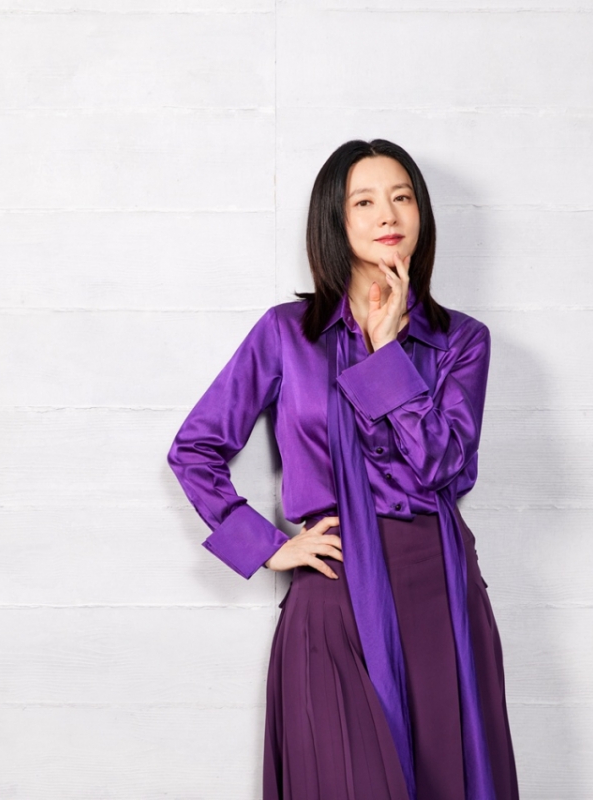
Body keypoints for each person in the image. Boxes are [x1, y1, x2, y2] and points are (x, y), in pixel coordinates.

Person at [167, 139, 518, 800]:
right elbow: (195, 449)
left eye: (402, 197)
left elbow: (446, 465)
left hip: (437, 592)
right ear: (336, 218)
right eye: (365, 201)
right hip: (331, 590)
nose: (388, 213)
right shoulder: (285, 333)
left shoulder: (461, 341)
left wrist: (386, 354)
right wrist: (268, 546)